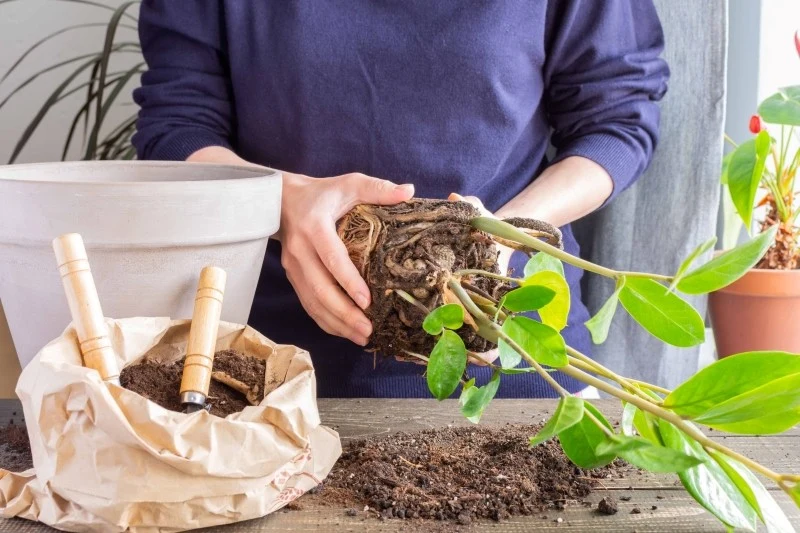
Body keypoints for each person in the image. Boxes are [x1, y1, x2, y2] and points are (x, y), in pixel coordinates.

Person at [132, 1, 670, 398]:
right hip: (266, 359)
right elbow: (177, 125)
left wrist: (506, 235)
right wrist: (281, 201)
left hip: (508, 337)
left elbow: (616, 120)